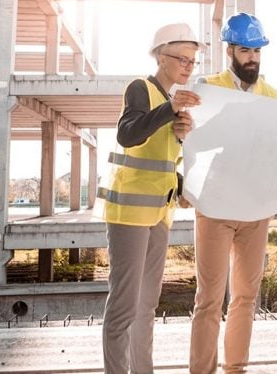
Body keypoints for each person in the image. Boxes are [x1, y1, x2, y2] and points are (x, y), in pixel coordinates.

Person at [99, 22, 204, 374]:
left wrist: (182, 185)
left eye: (193, 61)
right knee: (124, 306)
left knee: (146, 306)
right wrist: (168, 112)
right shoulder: (141, 88)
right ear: (161, 56)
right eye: (182, 58)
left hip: (159, 214)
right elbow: (128, 135)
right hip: (129, 213)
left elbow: (160, 164)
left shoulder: (171, 102)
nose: (188, 65)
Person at [189, 12, 277, 374]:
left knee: (245, 297)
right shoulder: (207, 88)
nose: (253, 58)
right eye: (246, 50)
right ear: (230, 50)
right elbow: (191, 142)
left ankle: (236, 368)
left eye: (258, 50)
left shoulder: (272, 95)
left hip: (256, 210)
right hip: (215, 207)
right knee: (209, 298)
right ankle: (202, 371)